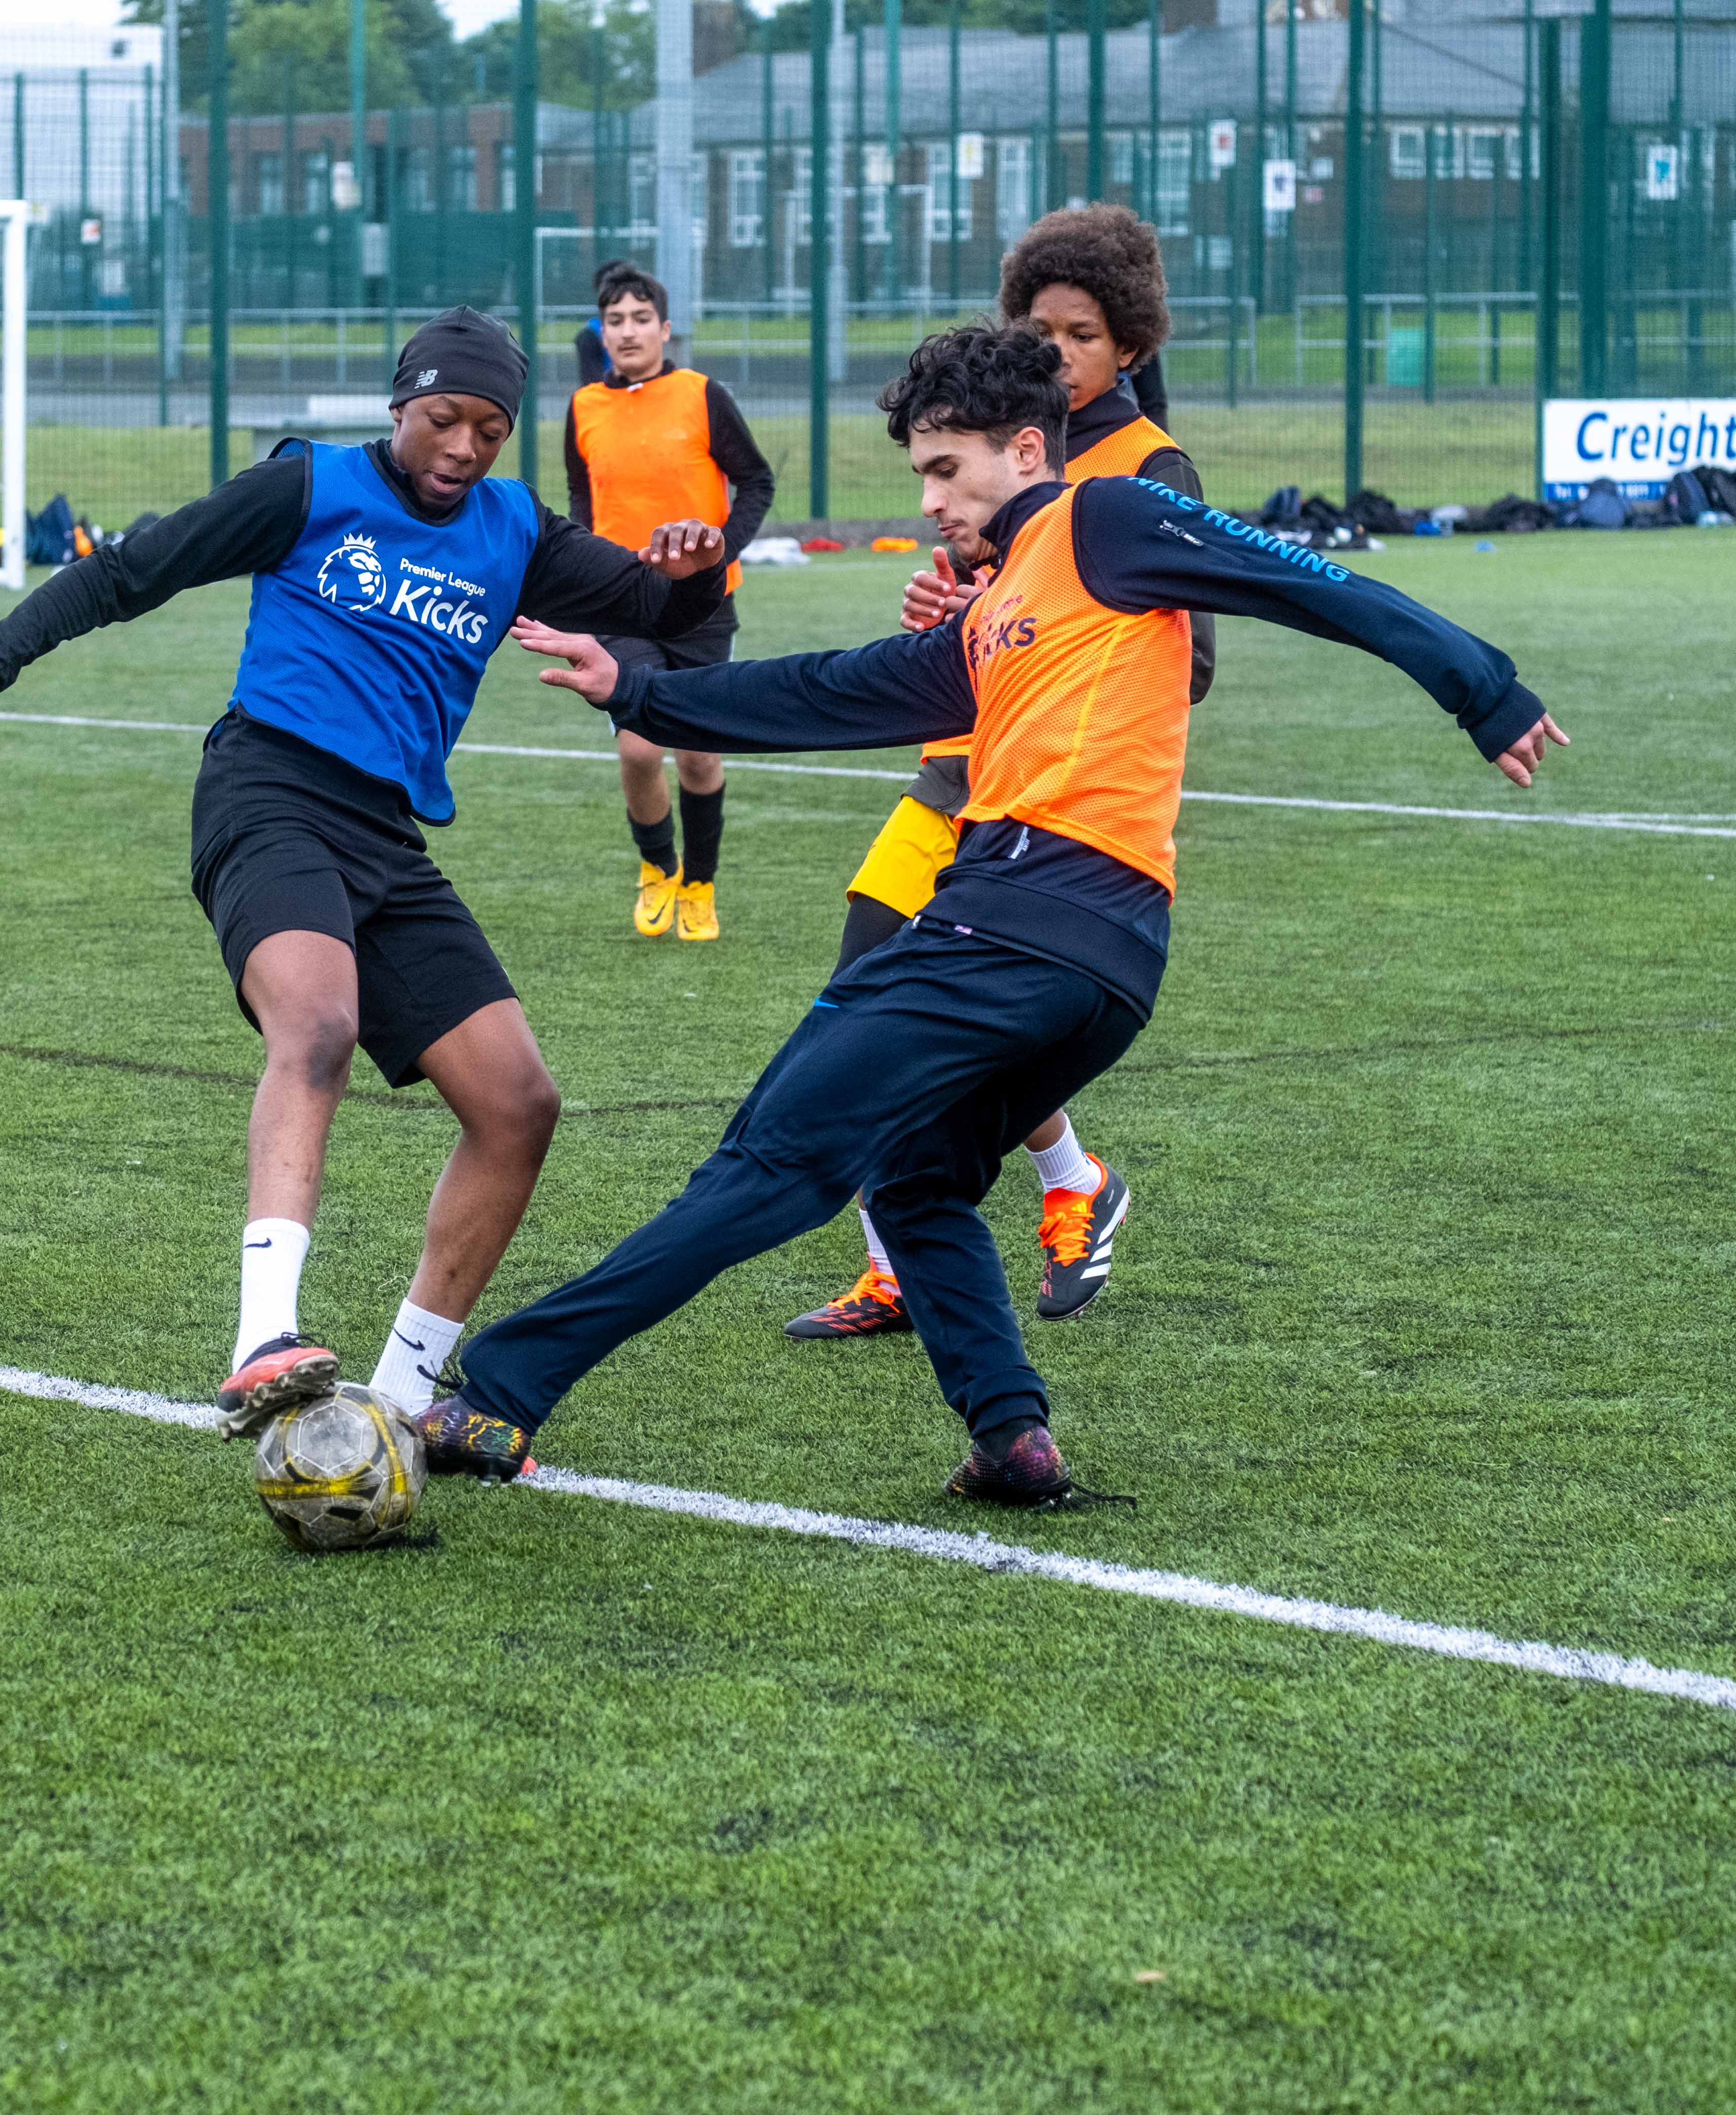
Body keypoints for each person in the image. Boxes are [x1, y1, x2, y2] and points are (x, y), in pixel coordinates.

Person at [410, 322, 1566, 1502]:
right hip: (1099, 966)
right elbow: (839, 688)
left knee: (769, 1157)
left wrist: (1483, 688)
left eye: (944, 469)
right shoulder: (998, 602)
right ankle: (1011, 1438)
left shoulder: (1104, 519)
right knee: (912, 1176)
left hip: (1016, 920)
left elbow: (1307, 581)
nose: (929, 498)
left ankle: (498, 1391)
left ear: (1025, 447)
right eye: (921, 473)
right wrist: (644, 687)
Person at [0, 309, 730, 1430]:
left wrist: (693, 570)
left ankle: (401, 1393)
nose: (464, 448)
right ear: (399, 406)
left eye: (489, 428)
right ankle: (262, 1341)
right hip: (268, 791)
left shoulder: (514, 527)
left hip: (388, 837)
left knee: (519, 1103)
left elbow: (646, 608)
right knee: (319, 1024)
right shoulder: (308, 489)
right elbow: (124, 576)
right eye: (443, 419)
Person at [791, 204, 1203, 1343]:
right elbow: (976, 621)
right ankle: (975, 1223)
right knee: (867, 999)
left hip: (1044, 816)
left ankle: (1004, 1212)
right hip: (948, 782)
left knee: (914, 1026)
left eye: (1083, 333)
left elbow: (1189, 660)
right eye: (1041, 327)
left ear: (1130, 346)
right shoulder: (993, 450)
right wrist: (949, 617)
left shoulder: (1142, 470)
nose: (1059, 351)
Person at [560, 259, 776, 942]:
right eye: (615, 321)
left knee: (699, 757)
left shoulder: (702, 394)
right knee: (637, 748)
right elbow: (580, 501)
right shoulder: (583, 408)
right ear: (604, 332)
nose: (628, 332)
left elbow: (757, 482)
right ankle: (658, 866)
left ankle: (701, 885)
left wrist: (719, 553)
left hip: (706, 606)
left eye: (640, 319)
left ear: (665, 328)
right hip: (624, 606)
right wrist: (585, 575)